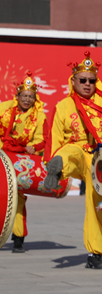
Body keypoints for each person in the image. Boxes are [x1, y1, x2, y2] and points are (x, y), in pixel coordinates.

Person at [42, 52, 102, 269]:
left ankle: (95, 254)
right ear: (73, 81)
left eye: (91, 80)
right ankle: (57, 171)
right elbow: (55, 139)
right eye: (83, 80)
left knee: (99, 205)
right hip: (77, 151)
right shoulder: (63, 106)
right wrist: (51, 161)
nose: (87, 84)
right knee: (67, 152)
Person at [0, 72, 46, 253]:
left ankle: (18, 237)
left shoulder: (39, 117)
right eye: (24, 96)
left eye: (31, 97)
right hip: (3, 156)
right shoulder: (4, 108)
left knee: (17, 199)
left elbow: (42, 140)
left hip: (20, 160)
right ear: (17, 96)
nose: (27, 99)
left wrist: (33, 148)